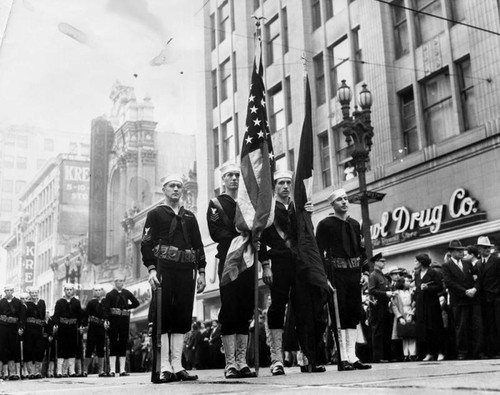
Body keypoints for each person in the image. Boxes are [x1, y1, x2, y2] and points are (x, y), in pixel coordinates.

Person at [142, 174, 206, 383]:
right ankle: (164, 367)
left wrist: (202, 271)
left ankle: (178, 366)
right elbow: (146, 243)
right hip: (164, 269)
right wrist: (151, 270)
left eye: (179, 186)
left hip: (186, 269)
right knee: (163, 316)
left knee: (181, 316)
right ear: (164, 189)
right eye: (172, 186)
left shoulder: (189, 216)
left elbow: (198, 245)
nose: (176, 189)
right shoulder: (155, 214)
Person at [259, 169, 325, 374]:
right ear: (274, 186)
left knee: (304, 308)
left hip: (299, 263)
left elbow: (306, 236)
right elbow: (260, 239)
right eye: (281, 183)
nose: (285, 186)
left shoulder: (298, 208)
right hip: (278, 263)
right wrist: (265, 265)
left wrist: (308, 215)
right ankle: (277, 359)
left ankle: (307, 357)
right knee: (277, 308)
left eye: (288, 183)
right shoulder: (267, 209)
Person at [207, 163, 257, 379]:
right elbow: (216, 232)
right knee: (230, 308)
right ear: (223, 180)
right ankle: (230, 364)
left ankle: (242, 361)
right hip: (228, 260)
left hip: (248, 260)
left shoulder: (248, 203)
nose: (234, 179)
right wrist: (240, 233)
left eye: (237, 175)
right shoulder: (216, 204)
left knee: (245, 310)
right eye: (230, 176)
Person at [316, 188, 371, 370]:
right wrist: (324, 276)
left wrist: (364, 273)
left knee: (353, 314)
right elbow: (319, 252)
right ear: (332, 204)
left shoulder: (355, 224)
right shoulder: (325, 224)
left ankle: (353, 356)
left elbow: (361, 250)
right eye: (340, 200)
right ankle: (343, 357)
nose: (344, 202)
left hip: (354, 274)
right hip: (336, 274)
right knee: (340, 314)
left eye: (346, 199)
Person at [442, 240, 482, 360]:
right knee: (461, 327)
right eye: (458, 250)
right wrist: (464, 291)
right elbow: (449, 282)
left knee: (475, 326)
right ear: (451, 252)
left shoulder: (468, 263)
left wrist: (475, 289)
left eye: (462, 250)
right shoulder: (446, 266)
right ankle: (462, 352)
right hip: (459, 301)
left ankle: (476, 351)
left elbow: (478, 278)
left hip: (472, 299)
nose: (461, 252)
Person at [104, 274, 139, 377]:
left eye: (122, 281)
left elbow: (136, 303)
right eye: (118, 281)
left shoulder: (127, 293)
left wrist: (126, 307)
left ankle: (123, 370)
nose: (120, 283)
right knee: (113, 343)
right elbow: (106, 308)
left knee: (123, 342)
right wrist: (106, 319)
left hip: (124, 319)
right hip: (113, 319)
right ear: (115, 282)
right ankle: (113, 370)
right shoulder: (110, 294)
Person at [414, 253, 444, 361]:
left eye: (416, 261)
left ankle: (440, 352)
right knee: (424, 330)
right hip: (420, 304)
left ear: (421, 262)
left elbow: (439, 286)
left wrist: (428, 288)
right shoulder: (417, 274)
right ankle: (429, 352)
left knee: (435, 328)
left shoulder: (433, 272)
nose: (415, 263)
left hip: (431, 304)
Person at [476, 236, 500, 358]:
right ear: (479, 249)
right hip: (484, 300)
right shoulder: (479, 263)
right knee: (488, 325)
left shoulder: (496, 260)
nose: (487, 249)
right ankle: (492, 351)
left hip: (496, 298)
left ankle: (497, 351)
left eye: (488, 247)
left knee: (498, 324)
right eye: (484, 247)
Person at [368, 253, 394, 363]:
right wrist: (386, 294)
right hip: (378, 306)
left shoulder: (382, 275)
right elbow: (371, 290)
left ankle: (386, 355)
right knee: (378, 331)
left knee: (386, 330)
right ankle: (378, 357)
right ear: (376, 262)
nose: (384, 263)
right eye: (382, 261)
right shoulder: (373, 275)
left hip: (385, 305)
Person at [53, 283, 83, 377]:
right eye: (67, 290)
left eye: (70, 290)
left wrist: (81, 325)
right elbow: (56, 315)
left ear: (73, 291)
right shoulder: (59, 302)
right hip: (62, 327)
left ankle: (72, 371)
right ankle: (59, 371)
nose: (69, 291)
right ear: (64, 290)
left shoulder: (76, 302)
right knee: (61, 349)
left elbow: (80, 315)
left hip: (73, 327)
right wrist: (56, 324)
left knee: (72, 348)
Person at [0, 285, 25, 380]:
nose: (9, 292)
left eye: (10, 290)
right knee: (2, 348)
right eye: (7, 291)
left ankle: (12, 372)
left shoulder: (18, 302)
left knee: (12, 349)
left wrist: (20, 327)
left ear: (13, 291)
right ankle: (4, 372)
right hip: (2, 328)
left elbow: (21, 316)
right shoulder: (1, 302)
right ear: (5, 291)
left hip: (13, 328)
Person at [83, 285, 108, 376]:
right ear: (94, 292)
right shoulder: (91, 303)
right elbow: (86, 315)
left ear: (102, 291)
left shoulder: (105, 302)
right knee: (89, 348)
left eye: (99, 290)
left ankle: (101, 370)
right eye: (96, 290)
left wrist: (107, 321)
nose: (97, 292)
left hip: (101, 327)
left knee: (100, 348)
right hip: (92, 327)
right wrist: (84, 325)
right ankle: (85, 370)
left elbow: (107, 314)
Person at [391, 276, 417, 361]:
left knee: (412, 333)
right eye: (406, 281)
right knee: (404, 335)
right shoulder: (396, 293)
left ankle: (413, 353)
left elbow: (415, 303)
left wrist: (412, 313)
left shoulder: (412, 292)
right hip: (402, 313)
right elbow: (394, 305)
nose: (408, 282)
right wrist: (399, 317)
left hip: (410, 312)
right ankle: (405, 354)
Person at [24, 287, 46, 379]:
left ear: (38, 293)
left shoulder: (42, 302)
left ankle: (38, 371)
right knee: (29, 349)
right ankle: (31, 372)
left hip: (39, 329)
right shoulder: (26, 304)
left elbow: (43, 315)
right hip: (29, 329)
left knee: (39, 349)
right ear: (30, 294)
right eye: (32, 293)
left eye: (35, 293)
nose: (34, 295)